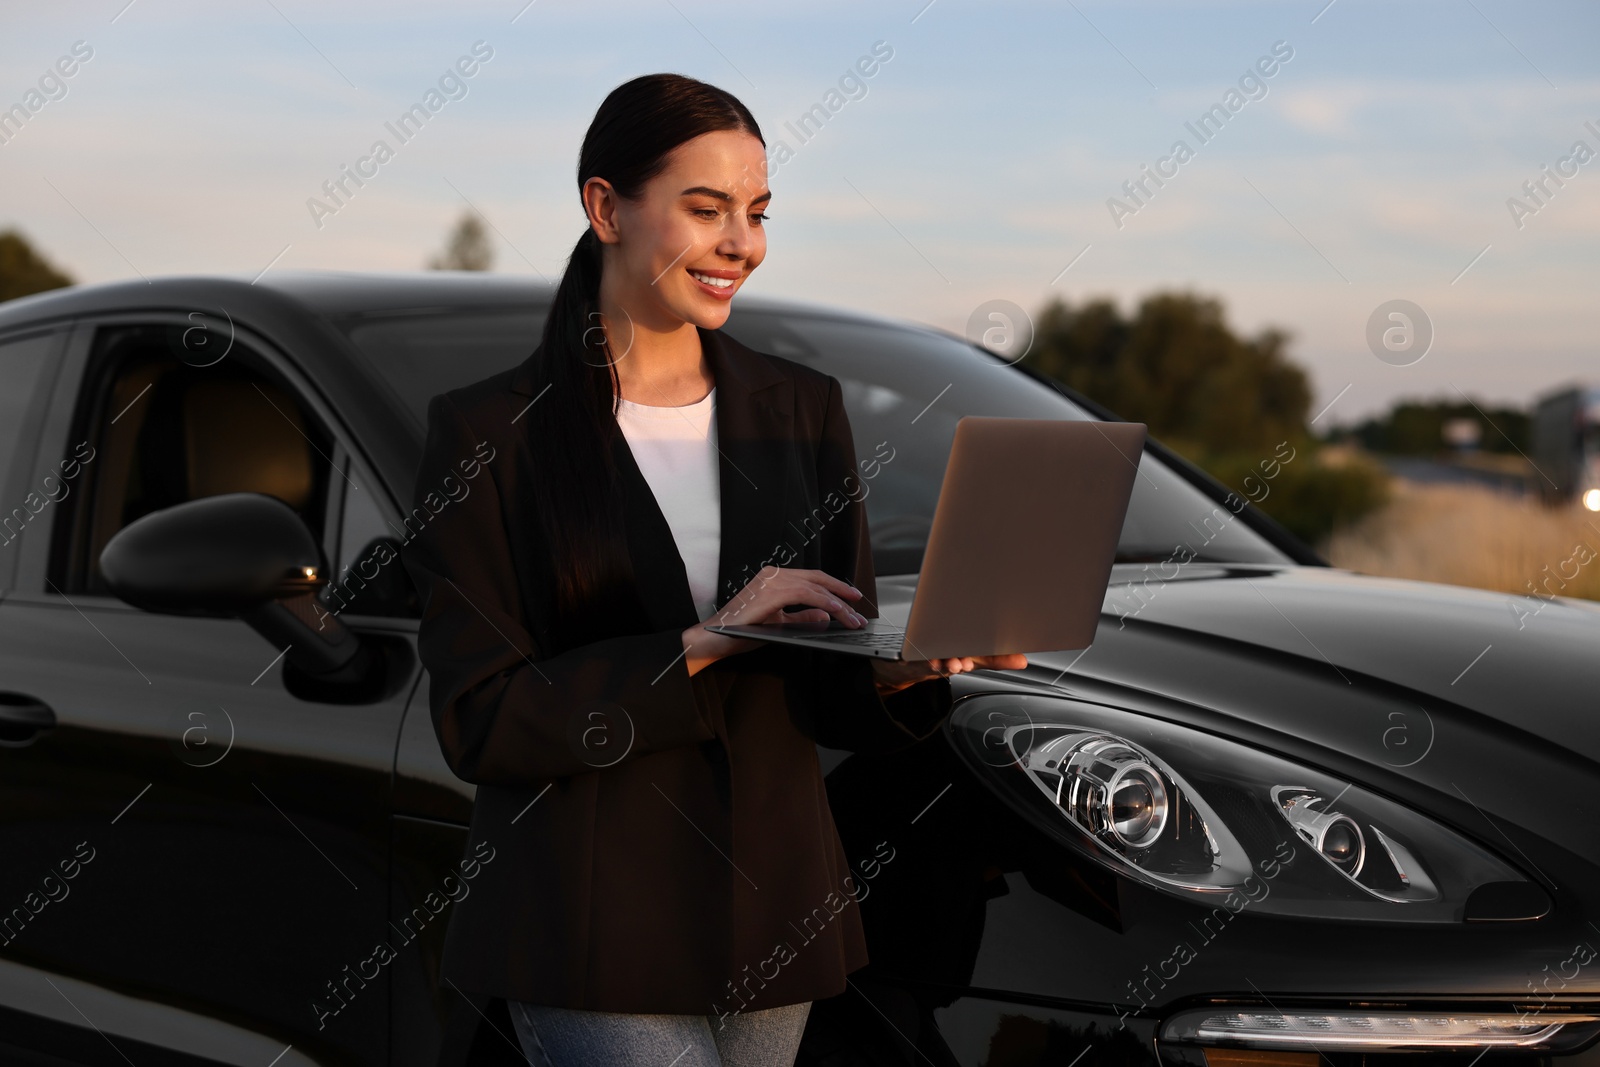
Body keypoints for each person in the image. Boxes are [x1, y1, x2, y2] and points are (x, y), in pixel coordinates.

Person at [400, 72, 1026, 1067]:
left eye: (758, 212)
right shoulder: (488, 434)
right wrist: (703, 641)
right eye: (707, 209)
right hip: (593, 921)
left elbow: (824, 688)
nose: (744, 242)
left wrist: (906, 669)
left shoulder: (800, 408)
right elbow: (483, 718)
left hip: (772, 909)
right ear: (604, 207)